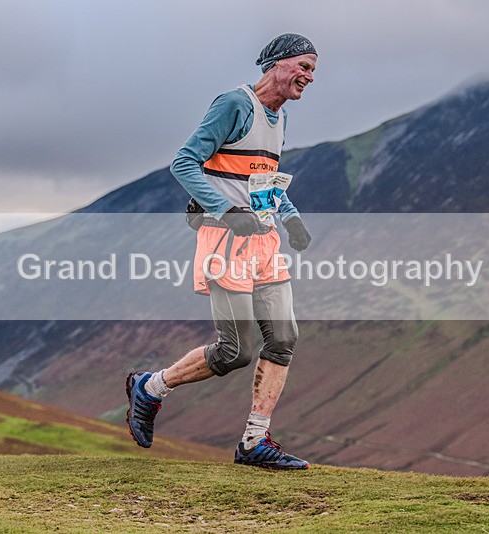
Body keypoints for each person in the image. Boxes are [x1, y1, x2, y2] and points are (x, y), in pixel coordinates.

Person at [125, 33, 317, 470]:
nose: (309, 77)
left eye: (312, 71)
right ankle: (150, 388)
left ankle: (254, 442)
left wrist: (290, 218)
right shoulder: (234, 104)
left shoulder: (280, 117)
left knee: (283, 339)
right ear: (278, 63)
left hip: (264, 242)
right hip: (226, 241)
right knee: (236, 351)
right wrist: (227, 211)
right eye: (304, 67)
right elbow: (184, 162)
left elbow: (263, 178)